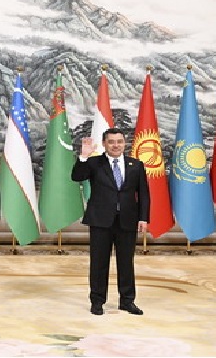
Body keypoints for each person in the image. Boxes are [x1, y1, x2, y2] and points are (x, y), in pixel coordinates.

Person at [71, 128, 149, 316]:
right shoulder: (94, 163)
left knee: (126, 263)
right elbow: (76, 176)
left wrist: (144, 217)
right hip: (100, 220)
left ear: (125, 143)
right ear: (105, 144)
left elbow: (144, 194)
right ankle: (97, 301)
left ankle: (127, 301)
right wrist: (83, 156)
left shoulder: (135, 165)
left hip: (127, 221)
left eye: (119, 142)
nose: (116, 145)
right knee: (98, 263)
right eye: (112, 142)